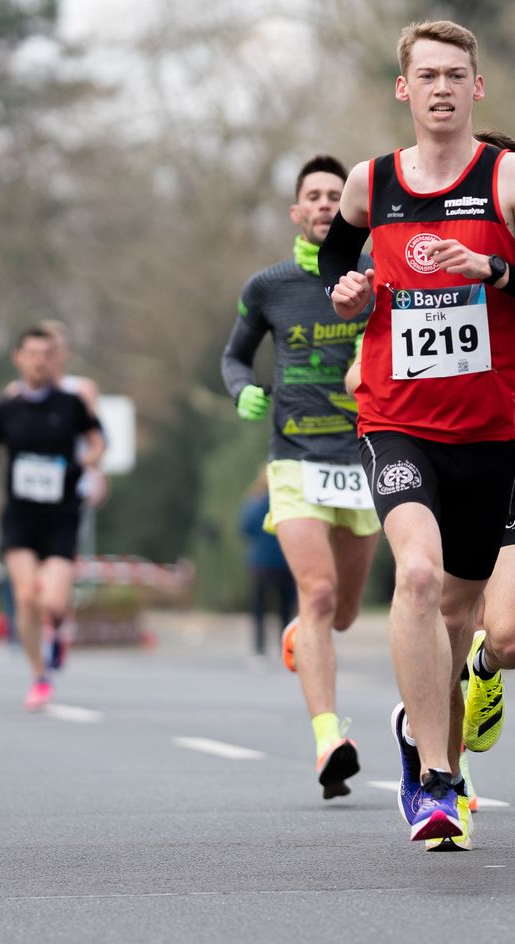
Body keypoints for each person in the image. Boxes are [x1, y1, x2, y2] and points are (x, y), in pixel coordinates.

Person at [322, 20, 515, 847]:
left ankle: (421, 729)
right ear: (404, 89)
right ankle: (437, 780)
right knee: (419, 577)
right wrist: (347, 290)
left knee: (463, 617)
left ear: (478, 89)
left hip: (489, 431)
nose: (441, 88)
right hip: (395, 421)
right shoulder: (372, 184)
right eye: (426, 74)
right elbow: (333, 263)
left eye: (456, 75)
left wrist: (496, 272)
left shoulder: (513, 179)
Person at [222, 154, 378, 800]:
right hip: (294, 463)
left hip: (363, 461)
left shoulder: (376, 278)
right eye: (312, 196)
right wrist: (242, 393)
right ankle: (327, 738)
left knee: (342, 613)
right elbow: (235, 356)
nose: (322, 205)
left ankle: (301, 637)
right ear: (296, 210)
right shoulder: (269, 286)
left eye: (333, 196)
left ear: (350, 211)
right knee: (314, 596)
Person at [0, 326, 105, 710]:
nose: (39, 361)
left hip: (61, 516)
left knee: (54, 603)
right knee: (26, 597)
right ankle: (40, 676)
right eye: (32, 354)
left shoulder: (71, 404)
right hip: (20, 517)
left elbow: (97, 442)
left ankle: (58, 629)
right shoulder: (6, 408)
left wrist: (86, 464)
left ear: (54, 359)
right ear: (19, 358)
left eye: (46, 354)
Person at [238, 474, 297, 659]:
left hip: (262, 563)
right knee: (286, 609)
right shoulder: (291, 501)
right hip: (287, 561)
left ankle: (259, 647)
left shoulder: (256, 502)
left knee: (259, 608)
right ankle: (285, 647)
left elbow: (245, 528)